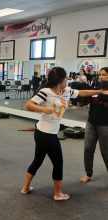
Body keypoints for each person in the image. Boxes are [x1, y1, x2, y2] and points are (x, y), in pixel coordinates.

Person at [21, 66, 108, 201]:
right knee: (58, 163)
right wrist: (44, 109)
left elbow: (83, 93)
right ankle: (58, 194)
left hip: (44, 132)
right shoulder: (46, 91)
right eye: (65, 78)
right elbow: (29, 104)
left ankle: (25, 187)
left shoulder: (66, 91)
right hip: (45, 134)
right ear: (59, 80)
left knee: (37, 160)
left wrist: (101, 91)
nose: (67, 80)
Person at [80, 67, 108, 183]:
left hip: (105, 125)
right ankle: (88, 174)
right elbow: (83, 104)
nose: (101, 76)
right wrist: (82, 99)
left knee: (106, 152)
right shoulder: (95, 89)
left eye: (104, 75)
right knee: (88, 149)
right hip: (91, 122)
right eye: (100, 74)